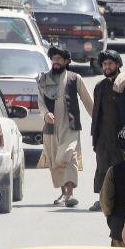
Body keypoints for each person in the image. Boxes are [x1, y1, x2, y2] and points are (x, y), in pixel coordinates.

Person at [37, 46, 94, 208]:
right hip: (51, 127)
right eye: (54, 59)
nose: (56, 62)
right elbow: (40, 101)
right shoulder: (43, 79)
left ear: (66, 62)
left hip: (70, 126)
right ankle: (64, 193)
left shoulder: (75, 78)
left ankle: (70, 193)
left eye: (59, 59)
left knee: (68, 156)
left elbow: (88, 102)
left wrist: (98, 119)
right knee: (55, 160)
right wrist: (46, 114)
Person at [90, 50, 125, 211]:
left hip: (124, 136)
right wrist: (95, 135)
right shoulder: (100, 86)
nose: (107, 67)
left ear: (117, 65)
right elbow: (96, 113)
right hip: (103, 137)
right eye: (104, 64)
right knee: (102, 167)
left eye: (110, 63)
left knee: (122, 168)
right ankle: (102, 199)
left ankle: (124, 200)